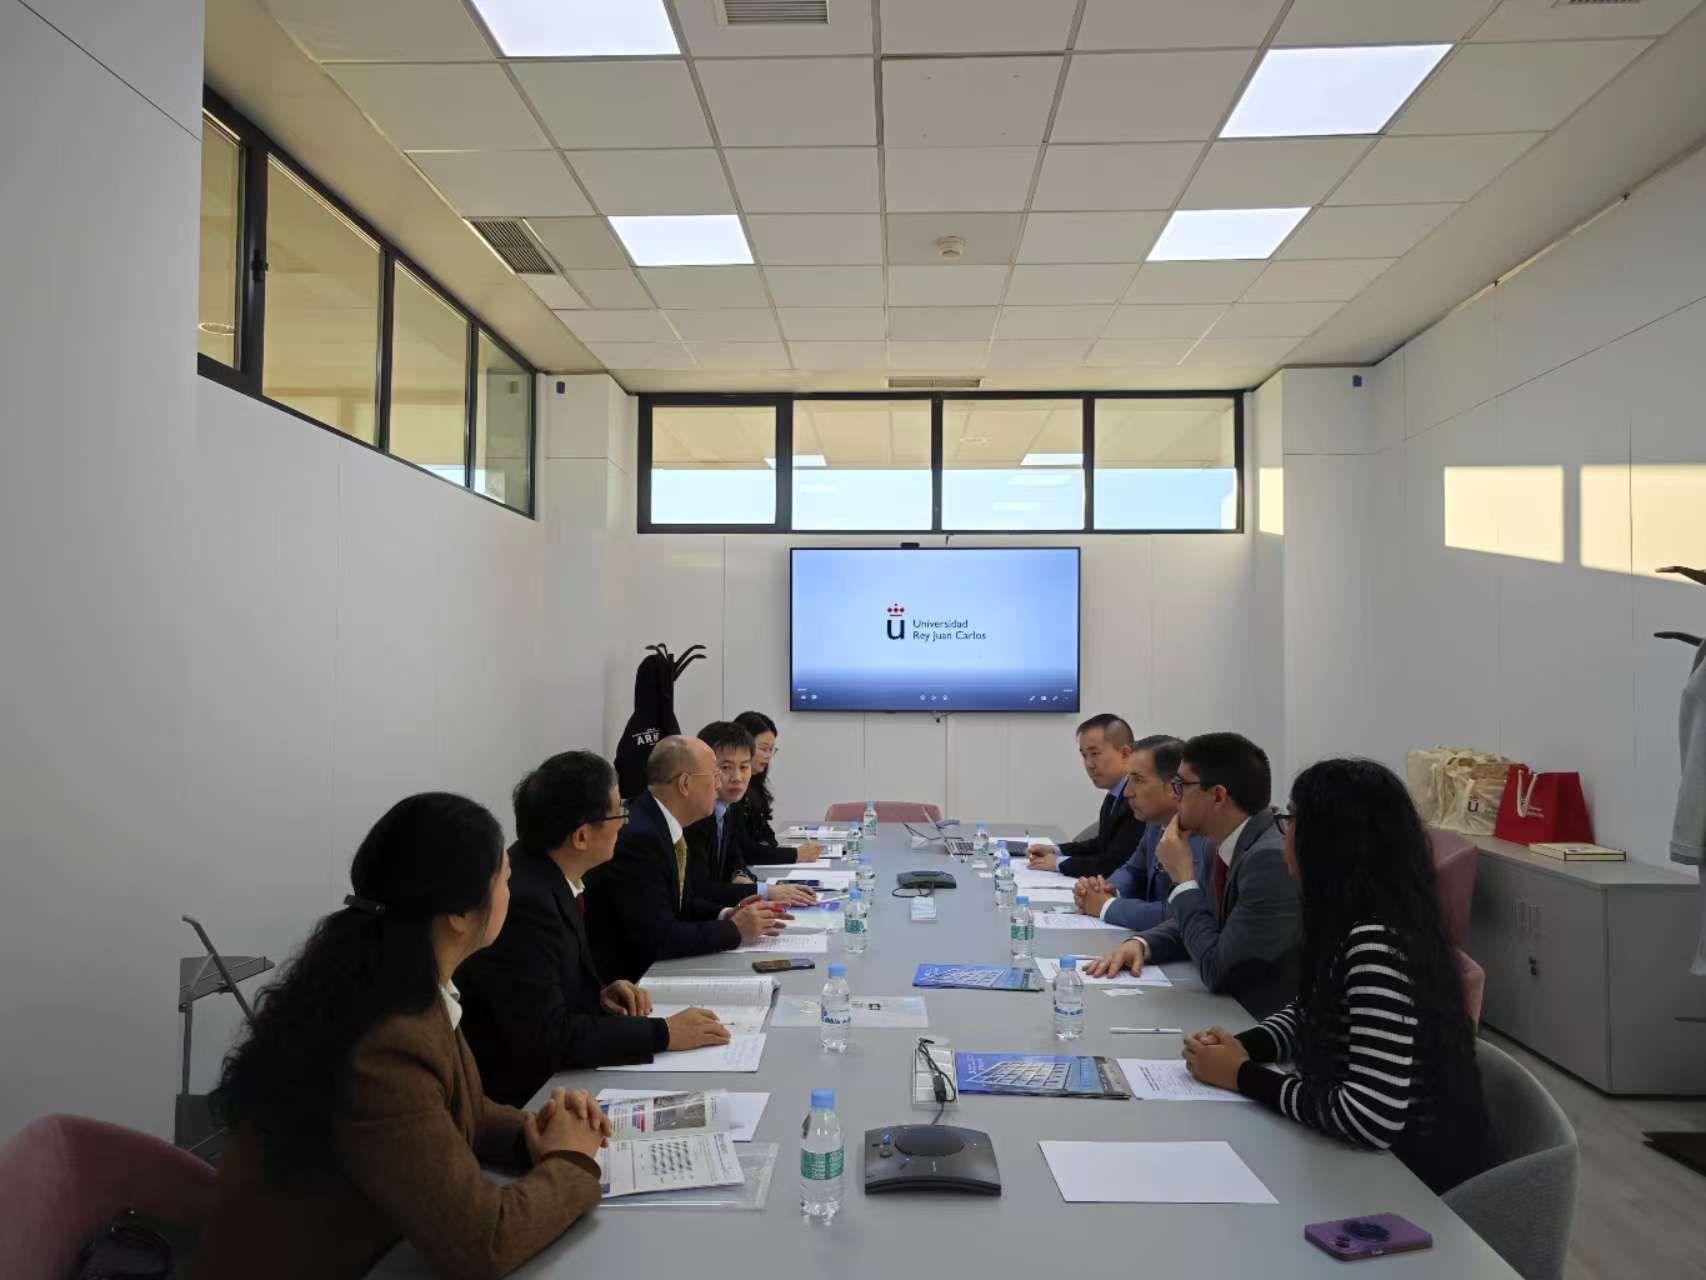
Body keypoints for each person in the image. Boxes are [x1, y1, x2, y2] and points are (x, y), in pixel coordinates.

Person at [192, 793, 613, 1280]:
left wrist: (536, 1131)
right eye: (504, 877)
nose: (510, 890)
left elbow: (458, 1110)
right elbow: (485, 1243)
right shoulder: (386, 1042)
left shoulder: (393, 982)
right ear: (459, 913)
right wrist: (571, 1161)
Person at [1180, 758, 1492, 1195]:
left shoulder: (1375, 943)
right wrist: (1244, 1047)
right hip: (1363, 1163)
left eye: (1292, 821)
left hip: (1406, 1183)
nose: (1284, 835)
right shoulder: (1356, 920)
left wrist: (1243, 1075)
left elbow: (1369, 1118)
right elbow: (1310, 1013)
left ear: (1327, 842)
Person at [458, 751, 733, 1107]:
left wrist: (598, 994)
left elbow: (543, 990)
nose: (625, 822)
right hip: (526, 1097)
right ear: (582, 837)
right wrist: (664, 1033)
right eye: (619, 812)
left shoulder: (547, 874)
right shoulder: (528, 903)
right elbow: (548, 1037)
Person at [1087, 732, 1300, 1018]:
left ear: (1218, 796)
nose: (1175, 795)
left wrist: (1184, 881)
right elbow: (1201, 921)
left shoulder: (1268, 860)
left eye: (1182, 785)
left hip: (1255, 1019)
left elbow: (1219, 971)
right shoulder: (1220, 843)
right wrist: (1143, 943)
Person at [584, 735, 787, 982]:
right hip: (628, 982)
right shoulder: (641, 839)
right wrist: (734, 930)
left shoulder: (662, 823)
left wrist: (728, 914)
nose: (719, 785)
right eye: (715, 775)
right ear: (685, 784)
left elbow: (684, 903)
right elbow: (658, 938)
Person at [1071, 735, 1210, 932]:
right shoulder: (1155, 825)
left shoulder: (1204, 839)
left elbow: (1177, 916)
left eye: (1138, 780)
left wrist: (1105, 906)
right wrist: (1107, 889)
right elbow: (1133, 871)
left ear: (1174, 787)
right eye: (1128, 780)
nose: (1127, 792)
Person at [686, 721, 815, 909]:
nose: (737, 778)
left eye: (744, 767)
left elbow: (735, 856)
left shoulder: (727, 807)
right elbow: (700, 889)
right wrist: (764, 891)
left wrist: (740, 874)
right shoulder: (694, 817)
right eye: (726, 768)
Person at [1025, 714, 1142, 878]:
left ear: (1125, 754)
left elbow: (1113, 864)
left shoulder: (1137, 800)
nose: (1088, 764)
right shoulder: (1114, 795)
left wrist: (1058, 863)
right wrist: (1055, 850)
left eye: (1094, 753)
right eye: (1084, 755)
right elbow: (1101, 844)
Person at [732, 709, 824, 864]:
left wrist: (767, 848)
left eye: (771, 750)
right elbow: (745, 850)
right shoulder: (732, 792)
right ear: (744, 746)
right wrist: (796, 855)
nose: (768, 756)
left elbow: (767, 834)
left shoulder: (755, 786)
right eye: (763, 749)